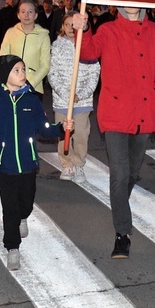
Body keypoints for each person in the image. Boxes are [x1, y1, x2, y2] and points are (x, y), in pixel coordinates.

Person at [72, 6, 155, 259]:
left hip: (144, 111)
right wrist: (82, 29)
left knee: (132, 173)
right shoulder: (108, 30)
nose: (130, 2)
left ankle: (120, 204)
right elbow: (87, 52)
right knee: (120, 174)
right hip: (115, 113)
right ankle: (122, 233)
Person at [0, 55, 73, 271]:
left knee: (26, 201)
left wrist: (62, 128)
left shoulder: (32, 101)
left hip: (28, 165)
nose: (22, 74)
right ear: (6, 77)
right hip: (6, 167)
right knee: (9, 208)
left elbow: (44, 128)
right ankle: (12, 247)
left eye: (23, 69)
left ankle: (24, 216)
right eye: (17, 70)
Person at [48, 12, 100, 181]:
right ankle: (66, 164)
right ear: (62, 27)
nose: (71, 28)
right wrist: (66, 93)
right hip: (62, 99)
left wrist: (82, 93)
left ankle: (78, 164)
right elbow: (52, 73)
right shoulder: (56, 46)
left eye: (74, 24)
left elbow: (95, 71)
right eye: (67, 24)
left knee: (81, 134)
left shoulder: (87, 44)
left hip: (82, 100)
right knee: (64, 134)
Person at [0, 0, 51, 99]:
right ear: (18, 15)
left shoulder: (43, 36)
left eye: (30, 12)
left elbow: (45, 65)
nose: (26, 15)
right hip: (11, 86)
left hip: (34, 88)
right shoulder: (10, 32)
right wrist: (10, 81)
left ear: (35, 15)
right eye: (23, 11)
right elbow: (2, 58)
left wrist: (29, 84)